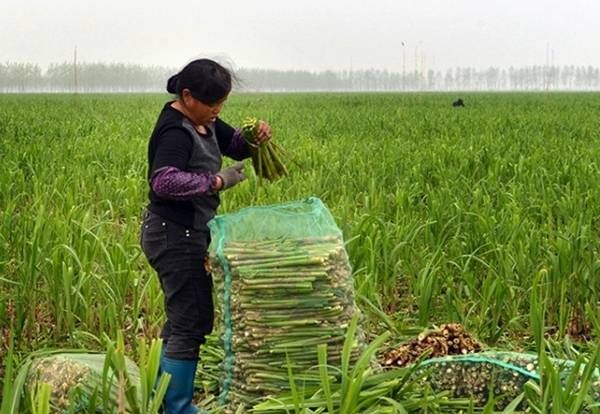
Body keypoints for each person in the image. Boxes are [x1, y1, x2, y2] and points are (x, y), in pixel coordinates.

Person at [140, 58, 271, 414]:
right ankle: (178, 407)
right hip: (172, 234)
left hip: (188, 231)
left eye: (222, 104)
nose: (218, 111)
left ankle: (163, 397)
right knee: (192, 319)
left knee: (185, 316)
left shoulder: (205, 121)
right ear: (187, 95)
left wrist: (254, 137)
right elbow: (163, 180)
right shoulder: (175, 130)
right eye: (213, 104)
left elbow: (235, 145)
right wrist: (215, 181)